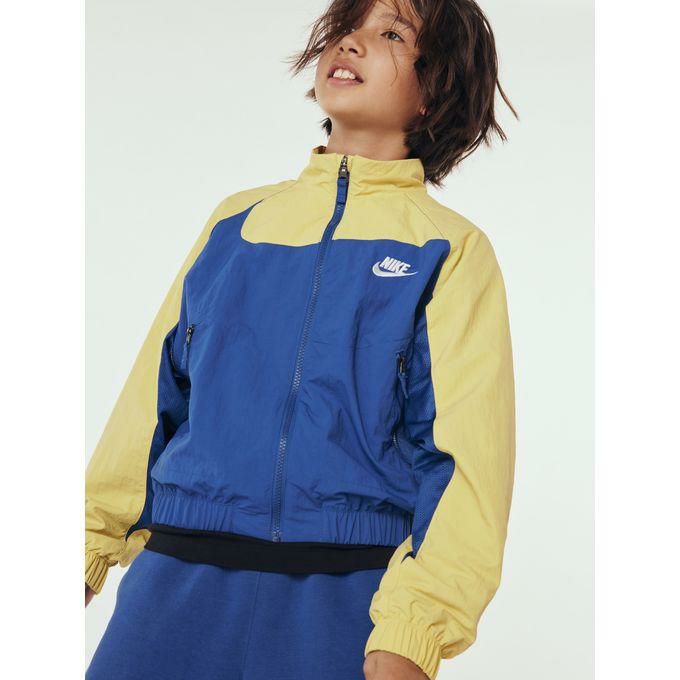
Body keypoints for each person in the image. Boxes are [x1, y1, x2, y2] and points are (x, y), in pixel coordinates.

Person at [85, 0, 518, 678]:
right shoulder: (238, 223)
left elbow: (466, 462)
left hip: (345, 598)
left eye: (391, 33)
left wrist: (416, 628)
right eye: (347, 28)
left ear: (433, 94)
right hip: (176, 578)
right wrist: (86, 543)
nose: (352, 42)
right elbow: (152, 400)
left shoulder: (448, 249)